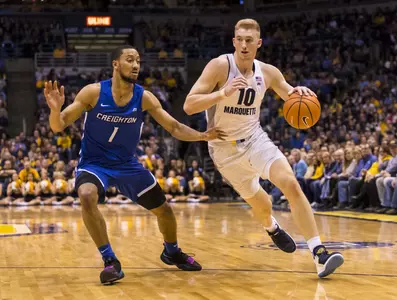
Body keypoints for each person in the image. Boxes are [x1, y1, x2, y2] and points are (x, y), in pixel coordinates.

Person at [44, 45, 224, 284]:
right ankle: (110, 260)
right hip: (94, 164)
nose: (136, 65)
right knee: (86, 195)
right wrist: (55, 110)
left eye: (138, 60)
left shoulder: (144, 97)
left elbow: (174, 127)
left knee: (165, 211)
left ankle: (171, 251)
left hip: (127, 165)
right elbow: (58, 125)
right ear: (116, 64)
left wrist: (202, 135)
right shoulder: (93, 93)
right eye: (130, 60)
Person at [183, 18, 344, 278]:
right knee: (262, 203)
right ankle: (272, 227)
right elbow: (189, 106)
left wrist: (300, 93)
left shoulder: (267, 72)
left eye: (250, 40)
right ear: (234, 41)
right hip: (224, 149)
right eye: (240, 40)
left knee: (291, 184)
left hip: (255, 139)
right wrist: (221, 94)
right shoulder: (219, 67)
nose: (244, 45)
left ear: (258, 43)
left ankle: (319, 253)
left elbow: (292, 95)